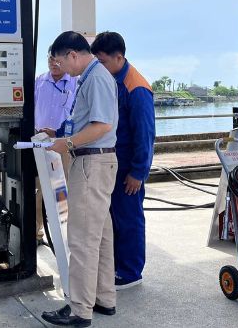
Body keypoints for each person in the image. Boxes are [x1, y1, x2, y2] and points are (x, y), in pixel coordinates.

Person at [41, 31, 119, 327]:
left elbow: (101, 125)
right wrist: (60, 134)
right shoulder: (92, 77)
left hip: (91, 163)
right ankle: (103, 298)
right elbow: (86, 121)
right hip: (96, 162)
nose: (60, 68)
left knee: (82, 238)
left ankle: (79, 310)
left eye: (60, 61)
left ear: (73, 55)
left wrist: (68, 143)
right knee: (100, 236)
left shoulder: (96, 78)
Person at [91, 31, 155, 290]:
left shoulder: (136, 87)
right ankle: (116, 266)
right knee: (114, 217)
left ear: (119, 57)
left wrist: (138, 172)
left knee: (129, 218)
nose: (100, 66)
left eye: (103, 61)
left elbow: (145, 134)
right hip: (113, 162)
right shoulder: (112, 79)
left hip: (128, 165)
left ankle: (130, 272)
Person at [34, 50, 77, 243]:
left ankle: (67, 232)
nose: (53, 63)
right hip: (41, 142)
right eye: (50, 58)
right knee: (40, 188)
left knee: (63, 187)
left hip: (64, 144)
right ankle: (37, 231)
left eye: (57, 59)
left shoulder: (75, 82)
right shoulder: (39, 81)